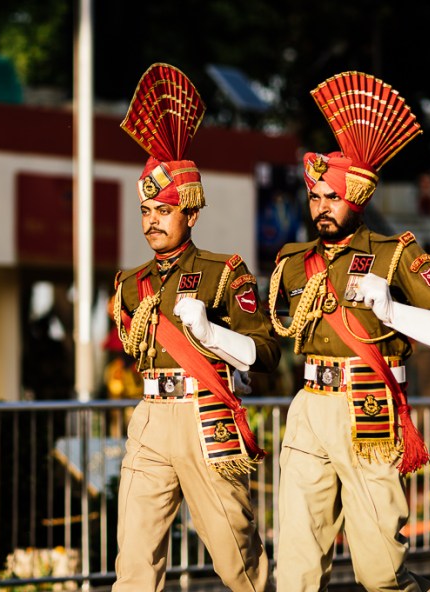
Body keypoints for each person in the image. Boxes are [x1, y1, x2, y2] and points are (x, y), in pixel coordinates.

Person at [268, 72, 430, 592]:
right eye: (314, 197)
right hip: (309, 404)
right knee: (293, 570)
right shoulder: (293, 262)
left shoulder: (395, 254)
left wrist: (392, 310)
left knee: (380, 573)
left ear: (355, 199)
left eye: (330, 197)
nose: (320, 207)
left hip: (370, 407)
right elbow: (271, 330)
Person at [110, 63, 281, 592]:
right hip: (149, 417)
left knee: (238, 561)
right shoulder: (130, 282)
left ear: (190, 212)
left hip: (205, 416)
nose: (151, 220)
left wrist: (209, 334)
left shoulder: (223, 272)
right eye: (145, 210)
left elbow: (266, 352)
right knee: (134, 564)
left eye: (163, 209)